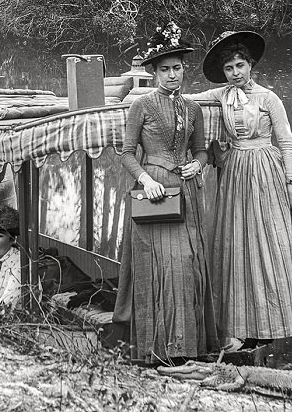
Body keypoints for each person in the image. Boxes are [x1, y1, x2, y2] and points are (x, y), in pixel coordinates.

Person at [191, 30, 292, 349]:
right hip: (236, 172)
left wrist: (291, 183)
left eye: (240, 65)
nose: (236, 73)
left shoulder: (269, 98)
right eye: (229, 68)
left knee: (270, 243)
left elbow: (288, 144)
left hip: (267, 172)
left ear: (251, 65)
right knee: (236, 244)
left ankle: (274, 321)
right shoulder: (221, 96)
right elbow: (188, 102)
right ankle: (237, 327)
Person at [112, 22, 219, 363]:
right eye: (165, 69)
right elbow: (127, 153)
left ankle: (187, 347)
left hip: (186, 191)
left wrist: (198, 165)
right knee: (156, 268)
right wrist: (145, 179)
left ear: (184, 69)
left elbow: (201, 150)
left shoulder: (193, 108)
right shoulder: (140, 106)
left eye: (177, 68)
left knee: (187, 265)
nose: (172, 75)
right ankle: (152, 348)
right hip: (154, 193)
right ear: (154, 72)